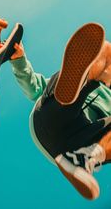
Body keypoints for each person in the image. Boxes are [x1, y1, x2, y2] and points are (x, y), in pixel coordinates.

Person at [10, 22, 111, 200]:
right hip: (52, 120)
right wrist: (19, 60)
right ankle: (83, 79)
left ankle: (85, 158)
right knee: (106, 50)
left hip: (75, 147)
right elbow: (34, 88)